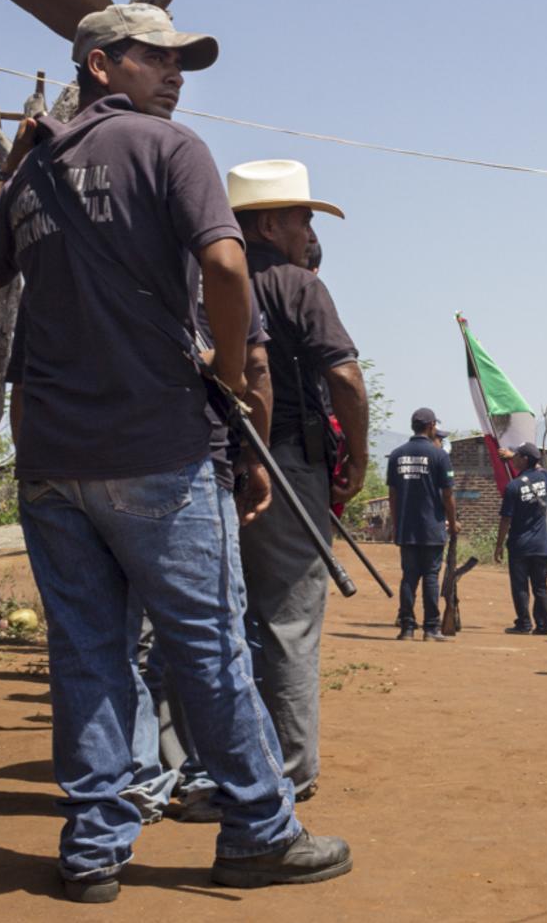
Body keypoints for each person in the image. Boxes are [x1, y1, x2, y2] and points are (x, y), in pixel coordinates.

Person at [0, 2, 348, 899]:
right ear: (101, 65)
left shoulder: (37, 168)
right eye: (155, 57)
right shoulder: (170, 149)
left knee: (90, 649)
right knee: (208, 643)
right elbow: (224, 269)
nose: (174, 74)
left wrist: (17, 160)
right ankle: (260, 828)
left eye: (181, 61)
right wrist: (224, 367)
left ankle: (95, 842)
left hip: (54, 457)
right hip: (160, 446)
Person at [228, 157, 369, 802]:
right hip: (283, 461)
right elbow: (343, 378)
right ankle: (285, 769)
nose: (308, 228)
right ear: (270, 222)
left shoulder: (200, 281)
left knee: (224, 619)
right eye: (302, 216)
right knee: (288, 619)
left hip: (207, 464)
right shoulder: (296, 285)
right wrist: (358, 460)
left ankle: (213, 762)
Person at [387, 409, 455, 639]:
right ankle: (431, 628)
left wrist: (397, 525)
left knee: (409, 577)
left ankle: (407, 628)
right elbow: (448, 495)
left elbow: (393, 495)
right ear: (432, 425)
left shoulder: (397, 455)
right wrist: (453, 522)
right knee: (431, 577)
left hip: (407, 528)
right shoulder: (439, 456)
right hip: (432, 528)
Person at [497, 442, 547, 635]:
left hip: (519, 545)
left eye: (518, 456)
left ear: (525, 459)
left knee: (520, 586)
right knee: (540, 587)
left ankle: (524, 623)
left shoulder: (513, 486)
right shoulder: (545, 477)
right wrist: (512, 455)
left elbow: (505, 519)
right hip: (541, 546)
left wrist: (498, 546)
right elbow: (538, 466)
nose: (515, 458)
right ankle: (543, 625)